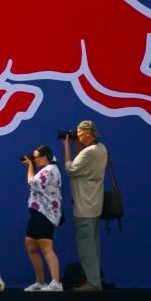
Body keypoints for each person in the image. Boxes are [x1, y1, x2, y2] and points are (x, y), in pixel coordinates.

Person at [64, 119, 108, 291]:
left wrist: (66, 146)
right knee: (94, 246)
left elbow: (70, 169)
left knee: (85, 248)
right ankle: (96, 280)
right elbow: (83, 164)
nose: (77, 135)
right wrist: (78, 146)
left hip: (83, 206)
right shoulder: (101, 149)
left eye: (79, 132)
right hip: (95, 205)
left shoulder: (88, 153)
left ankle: (93, 283)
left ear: (88, 132)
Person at [23, 144, 65, 291]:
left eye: (35, 158)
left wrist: (29, 166)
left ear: (44, 157)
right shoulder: (46, 170)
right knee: (30, 245)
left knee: (46, 247)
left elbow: (32, 182)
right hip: (37, 212)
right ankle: (40, 282)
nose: (34, 161)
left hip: (45, 213)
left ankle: (55, 283)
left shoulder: (50, 170)